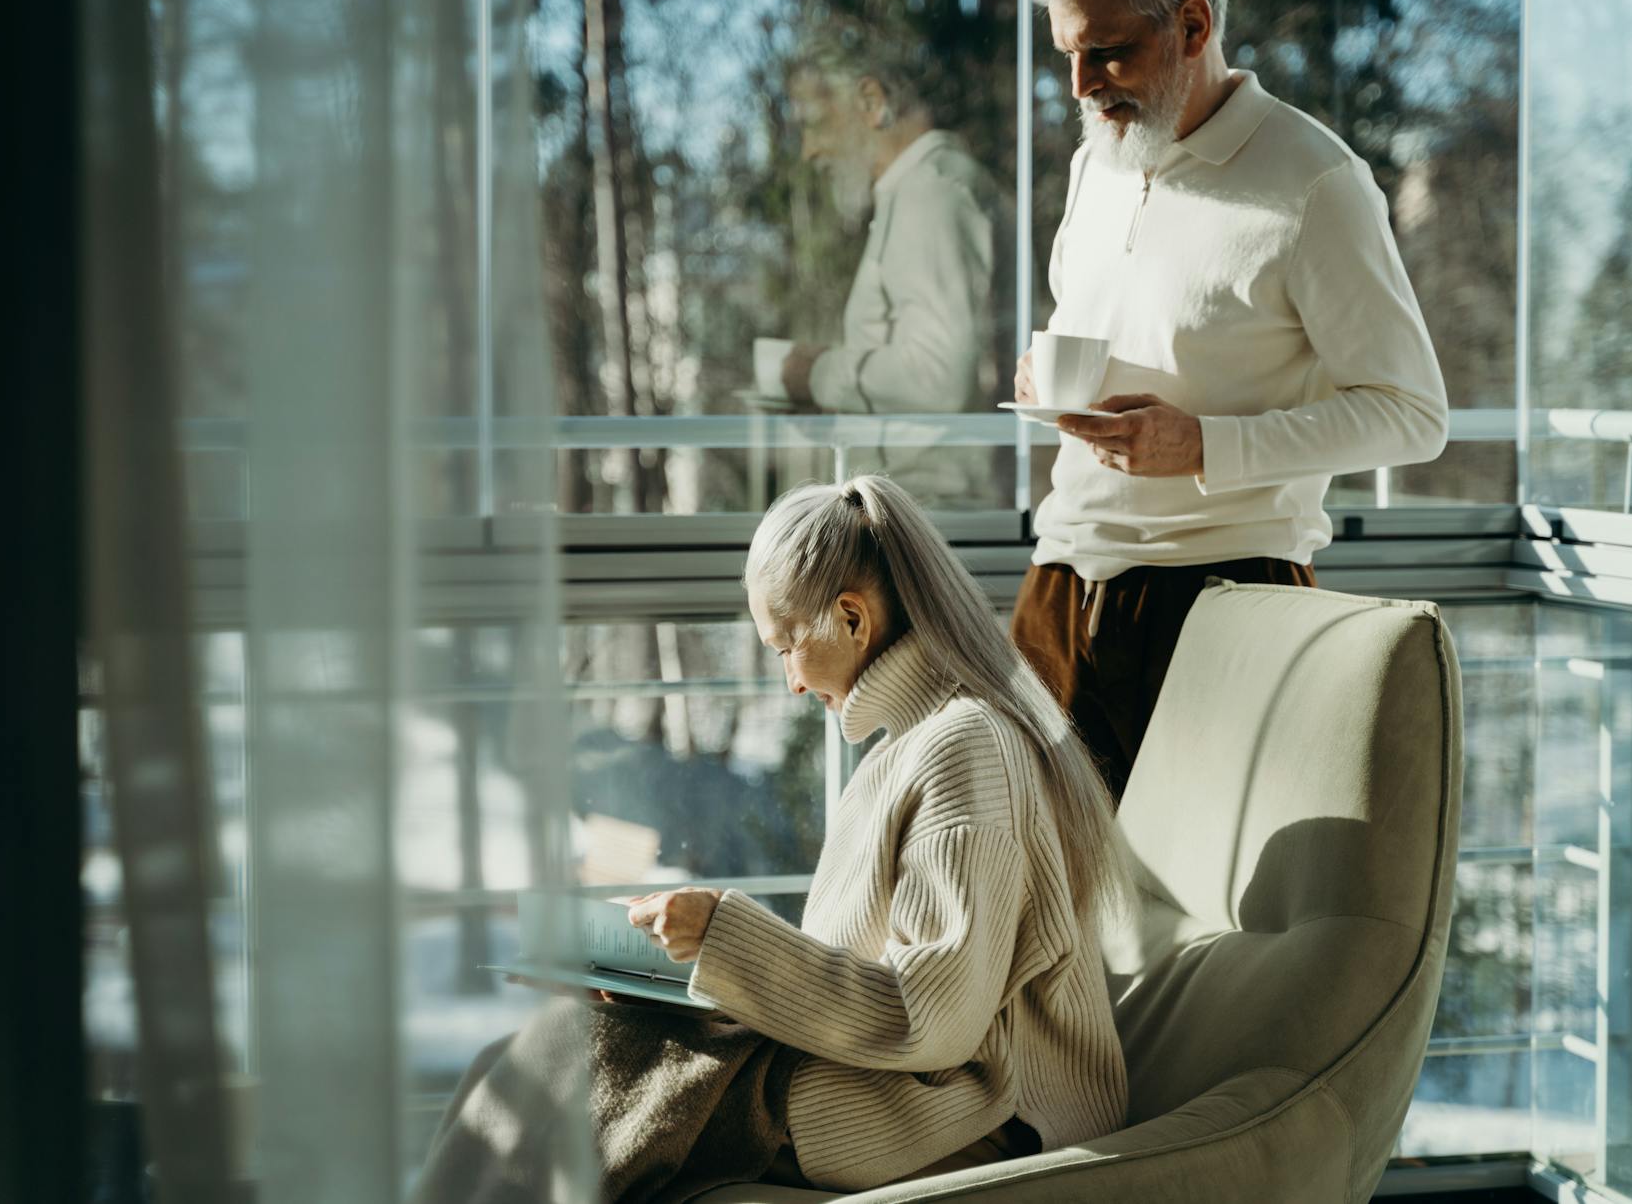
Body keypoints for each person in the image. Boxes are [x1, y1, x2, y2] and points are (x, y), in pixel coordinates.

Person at [416, 476, 1127, 1200]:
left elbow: (929, 1020)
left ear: (852, 618)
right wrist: (668, 978)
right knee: (530, 1057)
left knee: (558, 1073)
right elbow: (862, 979)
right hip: (891, 1079)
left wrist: (724, 938)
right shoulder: (914, 747)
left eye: (786, 645)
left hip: (973, 1113)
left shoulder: (964, 750)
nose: (789, 681)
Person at [1008, 0, 1450, 800]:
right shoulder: (1097, 165)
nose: (1081, 85)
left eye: (1109, 51)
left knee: (1192, 923)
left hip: (1222, 598)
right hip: (1057, 587)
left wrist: (1206, 445)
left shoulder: (1317, 183)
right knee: (1031, 908)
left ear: (1194, 23)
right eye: (1068, 55)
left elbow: (1415, 415)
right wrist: (1044, 380)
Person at [775, 24, 1004, 505]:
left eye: (815, 122)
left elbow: (939, 376)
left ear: (871, 102)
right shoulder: (919, 193)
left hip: (942, 520)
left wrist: (817, 372)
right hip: (927, 516)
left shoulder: (930, 195)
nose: (809, 150)